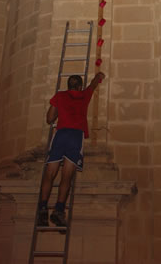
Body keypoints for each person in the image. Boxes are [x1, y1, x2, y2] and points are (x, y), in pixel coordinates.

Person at [38, 71, 106, 227]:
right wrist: (99, 76)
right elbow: (93, 85)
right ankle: (59, 210)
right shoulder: (84, 96)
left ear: (68, 85)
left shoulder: (60, 96)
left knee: (50, 173)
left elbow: (49, 119)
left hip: (61, 135)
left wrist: (58, 112)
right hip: (75, 137)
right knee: (66, 177)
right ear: (80, 86)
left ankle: (43, 208)